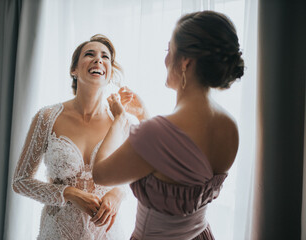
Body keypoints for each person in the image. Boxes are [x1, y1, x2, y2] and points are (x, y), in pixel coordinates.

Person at [92, 11, 244, 240]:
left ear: (186, 63)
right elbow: (176, 164)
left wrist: (120, 120)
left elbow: (100, 174)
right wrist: (144, 116)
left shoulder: (155, 134)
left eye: (169, 50)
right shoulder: (230, 126)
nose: (165, 60)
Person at [12, 34, 134, 240]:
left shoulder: (120, 121)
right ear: (74, 70)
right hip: (58, 232)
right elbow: (20, 181)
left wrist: (117, 194)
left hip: (105, 233)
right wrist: (68, 193)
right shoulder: (47, 117)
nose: (99, 60)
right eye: (90, 54)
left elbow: (135, 176)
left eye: (105, 57)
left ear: (110, 72)